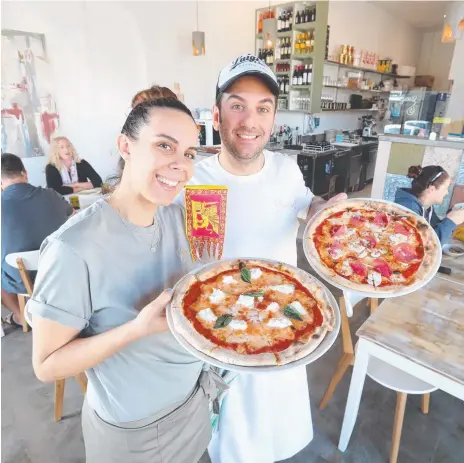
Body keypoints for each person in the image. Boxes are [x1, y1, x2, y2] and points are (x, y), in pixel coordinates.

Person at [27, 88, 221, 463]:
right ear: (125, 146)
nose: (180, 165)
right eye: (164, 146)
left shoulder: (185, 217)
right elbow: (46, 365)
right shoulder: (73, 248)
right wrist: (137, 328)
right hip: (136, 434)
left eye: (189, 153)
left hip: (198, 401)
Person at [176, 54, 347, 463]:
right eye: (237, 105)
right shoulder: (191, 178)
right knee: (228, 439)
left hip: (286, 322)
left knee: (274, 434)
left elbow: (307, 206)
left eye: (262, 108)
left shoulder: (287, 169)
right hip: (212, 326)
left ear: (273, 118)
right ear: (216, 115)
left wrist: (325, 209)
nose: (249, 121)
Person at [1, 153, 73, 327]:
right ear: (25, 173)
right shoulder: (51, 195)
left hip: (20, 278)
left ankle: (21, 317)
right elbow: (72, 216)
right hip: (58, 272)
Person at [395, 165, 464, 244]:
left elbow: (433, 230)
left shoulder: (427, 206)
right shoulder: (407, 209)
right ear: (432, 189)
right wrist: (451, 221)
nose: (447, 192)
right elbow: (426, 245)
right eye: (445, 188)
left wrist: (452, 214)